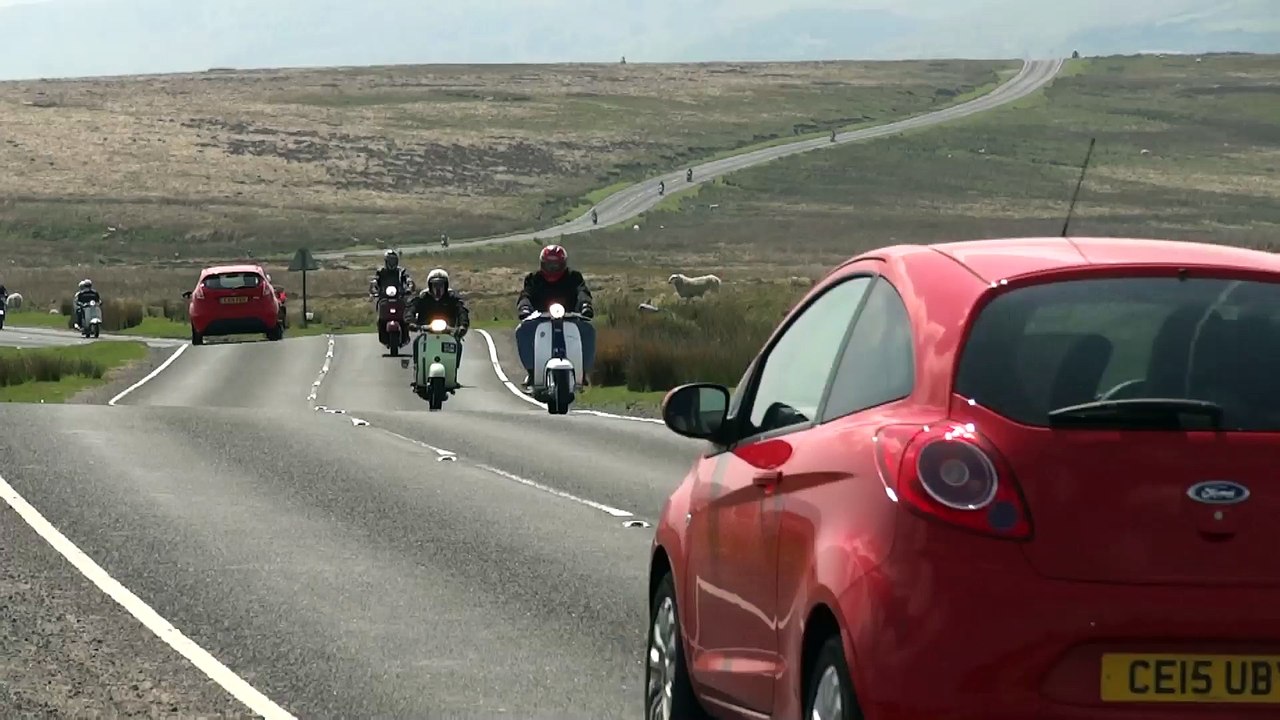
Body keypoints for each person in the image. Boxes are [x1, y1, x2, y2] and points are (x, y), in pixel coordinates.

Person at [515, 244, 595, 388]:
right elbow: (526, 294)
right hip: (540, 319)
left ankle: (582, 372)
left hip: (570, 317)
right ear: (542, 264)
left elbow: (582, 291)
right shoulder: (534, 279)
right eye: (549, 265)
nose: (552, 269)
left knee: (588, 330)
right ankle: (532, 372)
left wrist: (585, 305)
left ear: (563, 264)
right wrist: (524, 307)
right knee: (522, 330)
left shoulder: (573, 277)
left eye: (556, 265)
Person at [410, 268, 470, 367]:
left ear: (446, 286)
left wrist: (463, 325)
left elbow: (462, 311)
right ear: (430, 286)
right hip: (427, 331)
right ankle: (417, 367)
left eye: (441, 285)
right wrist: (411, 322)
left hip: (448, 331)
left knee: (457, 344)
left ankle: (454, 369)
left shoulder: (452, 298)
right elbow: (411, 309)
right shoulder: (423, 298)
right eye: (435, 285)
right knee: (417, 342)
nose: (438, 288)